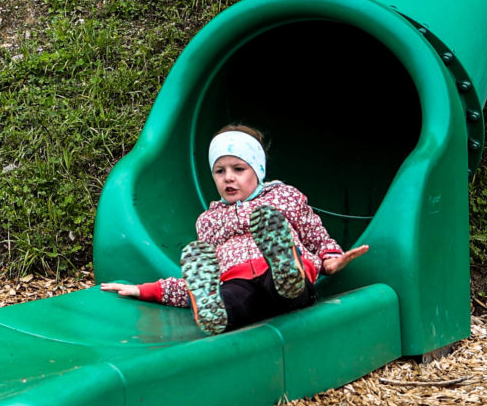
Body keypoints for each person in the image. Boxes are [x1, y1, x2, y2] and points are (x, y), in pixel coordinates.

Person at [101, 126, 369, 333]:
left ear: (258, 169)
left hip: (279, 276)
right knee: (230, 298)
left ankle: (286, 270)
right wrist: (147, 290)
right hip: (236, 280)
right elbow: (201, 272)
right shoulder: (209, 220)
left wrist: (330, 259)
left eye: (238, 168)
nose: (228, 177)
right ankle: (213, 314)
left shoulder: (283, 197)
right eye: (220, 171)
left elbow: (315, 234)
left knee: (280, 284)